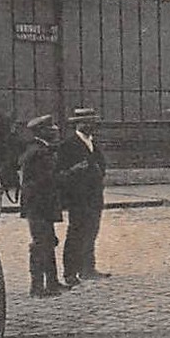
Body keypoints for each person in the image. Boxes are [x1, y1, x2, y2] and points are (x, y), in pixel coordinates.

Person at [55, 107, 109, 284]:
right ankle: (70, 273)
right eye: (88, 122)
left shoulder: (93, 143)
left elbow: (102, 165)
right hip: (78, 199)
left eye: (93, 122)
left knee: (91, 233)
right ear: (78, 124)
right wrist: (76, 173)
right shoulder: (68, 145)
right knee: (76, 234)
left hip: (94, 197)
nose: (92, 126)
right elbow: (61, 173)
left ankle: (87, 269)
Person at [18, 114, 65, 298]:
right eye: (50, 127)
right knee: (41, 244)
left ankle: (52, 283)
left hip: (41, 204)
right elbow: (45, 180)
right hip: (38, 204)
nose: (55, 130)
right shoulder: (39, 152)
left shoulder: (39, 149)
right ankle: (37, 287)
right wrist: (70, 175)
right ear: (42, 131)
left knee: (48, 241)